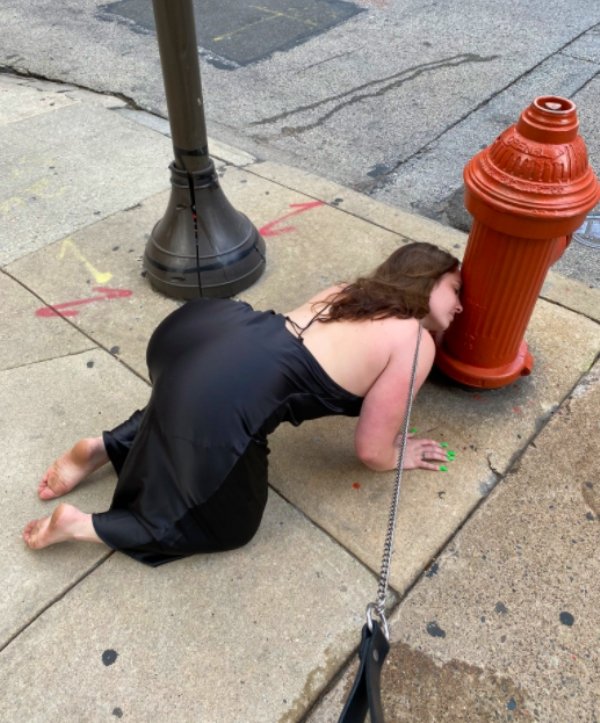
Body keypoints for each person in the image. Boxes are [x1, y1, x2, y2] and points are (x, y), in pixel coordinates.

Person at [23, 242, 462, 566]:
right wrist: (398, 455)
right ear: (427, 279)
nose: (460, 306)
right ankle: (82, 525)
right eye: (455, 289)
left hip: (211, 337)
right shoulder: (414, 341)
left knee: (192, 405)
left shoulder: (348, 293)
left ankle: (103, 447)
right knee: (228, 524)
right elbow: (371, 449)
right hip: (228, 393)